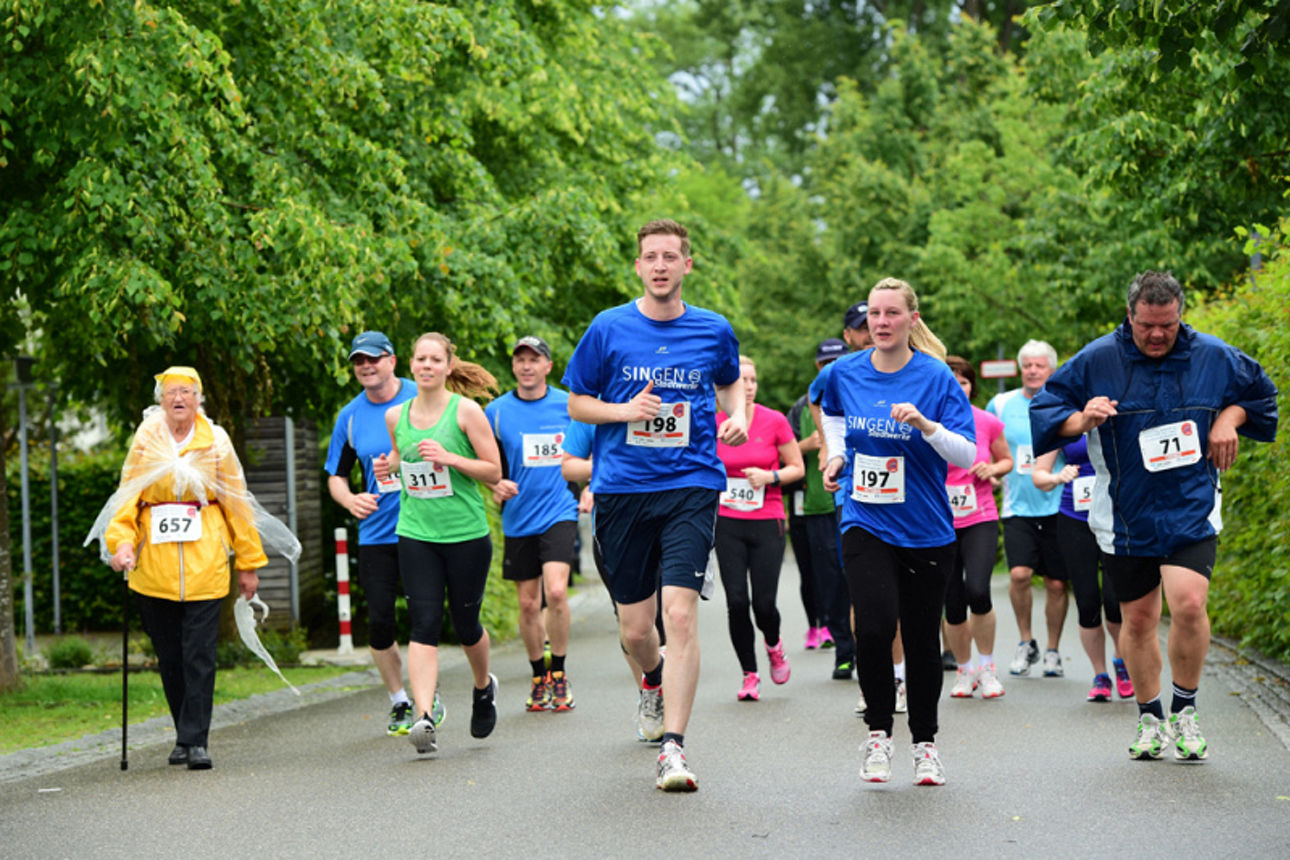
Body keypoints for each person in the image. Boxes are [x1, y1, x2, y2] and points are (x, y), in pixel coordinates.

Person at [1030, 271, 1277, 761]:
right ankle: (1149, 717)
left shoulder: (1212, 355)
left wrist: (1229, 418)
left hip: (1191, 504)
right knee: (1138, 619)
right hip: (1125, 511)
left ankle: (1184, 709)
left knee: (1187, 604)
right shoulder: (1099, 358)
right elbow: (1047, 407)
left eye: (1167, 324)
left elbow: (1261, 396)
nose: (1158, 335)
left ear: (1179, 314)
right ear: (1130, 316)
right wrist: (1085, 418)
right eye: (1147, 326)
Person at [563, 218, 746, 792]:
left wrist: (736, 412)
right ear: (639, 266)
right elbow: (576, 404)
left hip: (691, 484)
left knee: (681, 615)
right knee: (637, 631)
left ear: (687, 265)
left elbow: (729, 380)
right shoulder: (607, 328)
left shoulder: (714, 329)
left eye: (671, 255)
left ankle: (673, 748)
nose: (661, 265)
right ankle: (652, 680)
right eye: (651, 256)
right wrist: (625, 412)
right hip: (621, 490)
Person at [88, 367, 300, 770]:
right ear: (161, 399)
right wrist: (122, 545)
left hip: (206, 564)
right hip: (153, 568)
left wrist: (249, 563)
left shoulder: (215, 440)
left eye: (186, 391)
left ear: (199, 398)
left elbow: (238, 502)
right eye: (171, 392)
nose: (179, 398)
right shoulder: (147, 438)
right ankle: (183, 732)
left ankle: (195, 740)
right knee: (170, 655)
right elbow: (127, 496)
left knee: (199, 654)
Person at [821, 278, 975, 787]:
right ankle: (879, 734)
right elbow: (830, 410)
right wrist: (837, 455)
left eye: (891, 314)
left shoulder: (936, 377)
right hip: (864, 519)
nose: (881, 323)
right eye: (874, 315)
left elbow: (968, 455)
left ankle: (926, 744)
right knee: (873, 626)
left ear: (911, 319)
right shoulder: (844, 372)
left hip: (927, 528)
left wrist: (927, 427)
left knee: (922, 636)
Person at [372, 333, 503, 755]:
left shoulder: (466, 411)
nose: (427, 366)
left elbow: (492, 469)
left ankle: (483, 687)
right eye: (420, 359)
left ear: (448, 366)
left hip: (465, 535)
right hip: (416, 534)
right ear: (410, 365)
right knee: (423, 625)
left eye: (435, 360)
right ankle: (424, 716)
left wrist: (450, 458)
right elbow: (398, 455)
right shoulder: (396, 415)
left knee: (466, 627)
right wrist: (388, 464)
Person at [325, 330, 438, 737]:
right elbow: (335, 477)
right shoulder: (350, 417)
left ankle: (428, 697)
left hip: (424, 529)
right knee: (379, 624)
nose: (366, 366)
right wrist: (350, 499)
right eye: (359, 361)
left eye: (373, 358)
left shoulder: (419, 397)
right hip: (376, 535)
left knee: (425, 620)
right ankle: (400, 701)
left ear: (392, 360)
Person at [485, 335, 580, 713]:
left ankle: (559, 672)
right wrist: (494, 484)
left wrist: (589, 488)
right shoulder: (495, 411)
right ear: (513, 366)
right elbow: (484, 460)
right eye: (520, 359)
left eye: (534, 359)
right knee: (527, 604)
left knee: (555, 593)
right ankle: (538, 675)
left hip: (560, 510)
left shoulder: (567, 406)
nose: (526, 365)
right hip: (518, 517)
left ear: (547, 366)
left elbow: (591, 444)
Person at [714, 356, 805, 701]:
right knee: (737, 601)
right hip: (727, 521)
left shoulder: (774, 420)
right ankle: (749, 674)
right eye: (741, 381)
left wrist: (771, 476)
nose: (748, 387)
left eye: (752, 380)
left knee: (763, 604)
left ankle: (773, 644)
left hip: (767, 518)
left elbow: (796, 466)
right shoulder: (714, 421)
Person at [560, 418, 668, 696]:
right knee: (631, 624)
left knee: (671, 613)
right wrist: (605, 470)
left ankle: (669, 698)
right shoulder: (593, 406)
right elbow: (569, 466)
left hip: (667, 522)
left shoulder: (671, 393)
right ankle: (650, 693)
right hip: (614, 529)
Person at [987, 340, 1070, 678]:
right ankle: (1026, 642)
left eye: (1040, 366)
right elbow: (988, 440)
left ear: (1051, 370)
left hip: (1057, 504)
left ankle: (1052, 650)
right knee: (1019, 575)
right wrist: (992, 469)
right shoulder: (1002, 403)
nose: (1033, 371)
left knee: (1056, 585)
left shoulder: (1063, 402)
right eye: (1028, 366)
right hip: (1018, 505)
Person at [1033, 438, 1134, 703]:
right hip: (1075, 519)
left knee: (1116, 602)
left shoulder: (1117, 410)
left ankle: (1121, 661)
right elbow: (1039, 476)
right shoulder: (1065, 421)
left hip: (1117, 516)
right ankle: (1100, 676)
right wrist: (1057, 476)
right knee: (1087, 601)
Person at [942, 356, 1012, 700]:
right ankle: (964, 670)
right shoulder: (928, 422)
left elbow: (1007, 460)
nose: (958, 387)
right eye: (951, 380)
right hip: (938, 521)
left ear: (972, 387)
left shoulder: (986, 422)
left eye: (964, 381)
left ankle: (987, 668)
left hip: (979, 515)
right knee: (952, 602)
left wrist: (993, 470)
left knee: (979, 591)